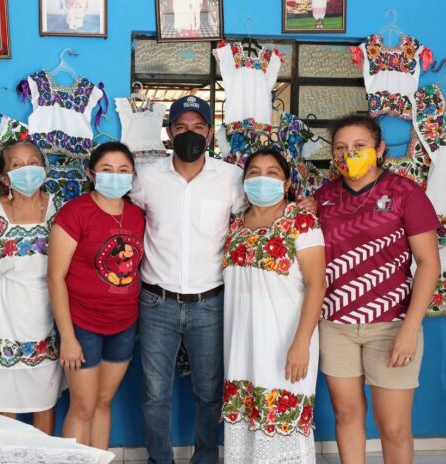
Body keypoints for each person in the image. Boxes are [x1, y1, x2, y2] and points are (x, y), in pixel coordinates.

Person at [313, 114, 440, 463]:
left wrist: (410, 329)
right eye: (341, 148)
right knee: (346, 416)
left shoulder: (405, 193)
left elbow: (429, 264)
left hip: (392, 325)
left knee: (394, 427)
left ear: (380, 149)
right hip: (335, 325)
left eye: (359, 146)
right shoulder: (323, 197)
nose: (348, 154)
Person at [130, 95, 246, 464]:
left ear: (210, 133)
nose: (189, 134)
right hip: (156, 301)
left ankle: (205, 458)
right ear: (168, 132)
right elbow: (124, 220)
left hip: (210, 302)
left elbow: (258, 218)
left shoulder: (231, 178)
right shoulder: (147, 178)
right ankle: (159, 459)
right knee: (154, 393)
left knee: (209, 392)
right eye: (181, 127)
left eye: (198, 127)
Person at [222, 147, 326, 463]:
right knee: (246, 420)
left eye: (272, 173)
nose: (262, 179)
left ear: (286, 183)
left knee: (280, 423)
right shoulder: (235, 223)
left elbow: (317, 285)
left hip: (285, 341)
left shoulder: (302, 221)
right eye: (254, 173)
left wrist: (301, 344)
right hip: (241, 345)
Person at [48, 142, 145, 449]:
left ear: (133, 174)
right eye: (106, 169)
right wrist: (68, 337)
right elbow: (55, 277)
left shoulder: (137, 215)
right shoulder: (75, 213)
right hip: (83, 325)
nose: (115, 176)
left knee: (103, 402)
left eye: (123, 170)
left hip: (124, 324)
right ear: (91, 173)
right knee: (83, 407)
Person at [0, 141, 63, 434]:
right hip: (2, 315)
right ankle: (8, 453)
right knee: (3, 399)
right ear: (5, 178)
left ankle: (41, 454)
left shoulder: (59, 209)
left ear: (44, 169)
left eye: (33, 162)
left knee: (43, 398)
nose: (27, 170)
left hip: (45, 315)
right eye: (17, 165)